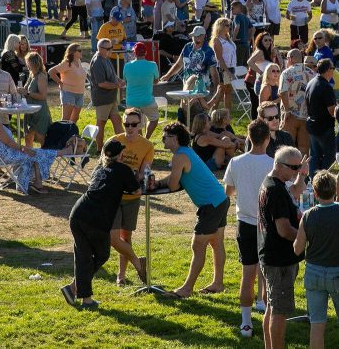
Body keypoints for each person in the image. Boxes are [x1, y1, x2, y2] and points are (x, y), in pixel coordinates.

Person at [62, 138, 144, 311]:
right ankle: (75, 289)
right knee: (102, 254)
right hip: (95, 219)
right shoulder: (123, 169)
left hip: (78, 213)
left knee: (84, 256)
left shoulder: (100, 168)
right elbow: (136, 190)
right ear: (120, 154)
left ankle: (83, 297)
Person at [293, 169, 339, 349]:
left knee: (317, 325)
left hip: (314, 273)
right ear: (334, 190)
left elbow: (298, 249)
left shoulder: (308, 216)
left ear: (315, 193)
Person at [161, 122, 230, 298]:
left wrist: (164, 182)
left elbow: (174, 183)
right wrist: (160, 182)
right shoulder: (186, 152)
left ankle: (186, 289)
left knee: (197, 245)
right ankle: (218, 283)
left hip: (210, 206)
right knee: (216, 242)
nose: (162, 141)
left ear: (174, 139)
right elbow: (175, 177)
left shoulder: (179, 156)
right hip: (220, 200)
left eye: (165, 137)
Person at [224, 120, 274, 337]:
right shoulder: (274, 164)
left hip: (245, 223)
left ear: (248, 138)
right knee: (268, 271)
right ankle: (264, 305)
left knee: (248, 273)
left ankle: (246, 322)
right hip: (267, 225)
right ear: (267, 139)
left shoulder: (235, 162)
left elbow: (229, 191)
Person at [258, 146, 308, 349]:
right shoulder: (276, 190)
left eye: (299, 167)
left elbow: (295, 190)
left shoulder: (273, 182)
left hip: (271, 255)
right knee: (279, 312)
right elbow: (284, 230)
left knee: (272, 307)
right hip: (279, 259)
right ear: (279, 165)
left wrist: (301, 173)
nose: (296, 171)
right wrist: (306, 239)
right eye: (294, 167)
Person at [105, 108, 154, 285]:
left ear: (140, 124)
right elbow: (103, 166)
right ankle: (137, 262)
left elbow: (144, 172)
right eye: (127, 124)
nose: (130, 128)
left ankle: (121, 275)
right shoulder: (115, 141)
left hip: (132, 197)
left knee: (126, 238)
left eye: (134, 124)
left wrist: (132, 177)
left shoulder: (147, 145)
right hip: (113, 197)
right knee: (113, 238)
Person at [305, 58, 338, 175]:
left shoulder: (311, 82)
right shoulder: (326, 86)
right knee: (330, 156)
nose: (334, 71)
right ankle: (322, 180)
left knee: (314, 155)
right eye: (333, 68)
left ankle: (312, 181)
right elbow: (332, 110)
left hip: (312, 125)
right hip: (323, 127)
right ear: (328, 70)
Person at [278, 49, 313, 154]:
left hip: (291, 114)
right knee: (304, 146)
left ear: (290, 59)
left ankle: (288, 169)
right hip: (306, 114)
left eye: (287, 58)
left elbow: (283, 92)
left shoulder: (286, 73)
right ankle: (303, 169)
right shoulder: (311, 72)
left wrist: (287, 110)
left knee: (288, 146)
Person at [123, 42, 161, 138]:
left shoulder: (127, 66)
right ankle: (146, 138)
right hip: (147, 100)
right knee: (154, 119)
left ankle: (140, 140)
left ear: (134, 53)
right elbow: (156, 81)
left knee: (135, 123)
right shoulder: (153, 65)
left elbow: (126, 81)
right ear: (146, 53)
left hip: (132, 101)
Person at [49, 44, 86, 123]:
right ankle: (62, 134)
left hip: (80, 93)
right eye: (79, 50)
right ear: (73, 53)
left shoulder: (78, 61)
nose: (81, 52)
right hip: (68, 93)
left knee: (75, 118)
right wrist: (59, 81)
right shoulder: (67, 63)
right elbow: (51, 72)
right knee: (66, 119)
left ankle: (71, 134)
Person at [21, 52, 52, 147]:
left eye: (28, 62)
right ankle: (30, 159)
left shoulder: (41, 76)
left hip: (39, 111)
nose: (27, 65)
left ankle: (45, 158)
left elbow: (42, 96)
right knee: (28, 137)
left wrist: (27, 93)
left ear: (34, 63)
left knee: (40, 137)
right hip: (29, 110)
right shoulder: (31, 74)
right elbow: (26, 90)